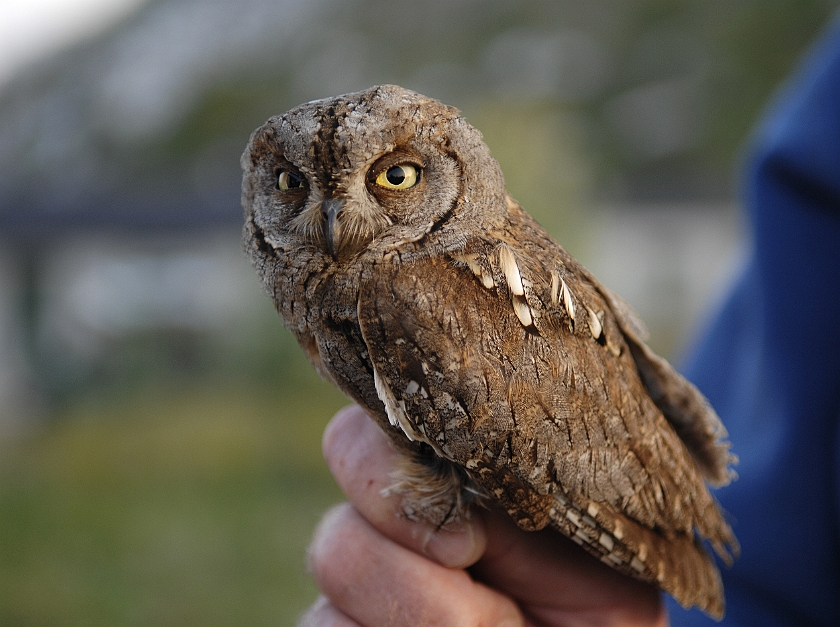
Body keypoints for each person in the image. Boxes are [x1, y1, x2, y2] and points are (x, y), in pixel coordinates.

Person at [300, 14, 840, 627]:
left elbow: (702, 546)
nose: (338, 223)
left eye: (395, 178)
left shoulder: (415, 293)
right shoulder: (821, 169)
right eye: (293, 189)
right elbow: (763, 573)